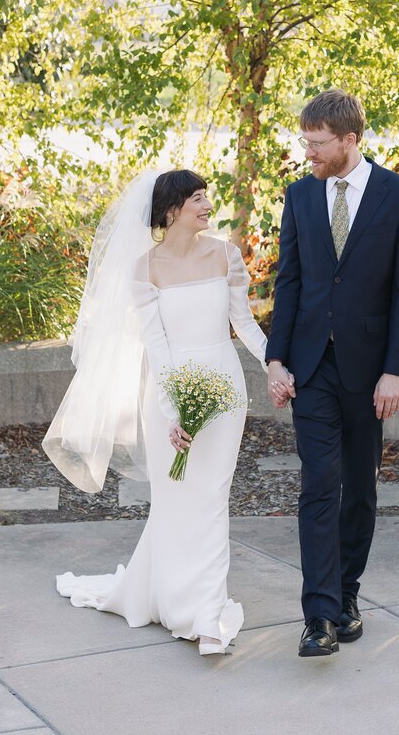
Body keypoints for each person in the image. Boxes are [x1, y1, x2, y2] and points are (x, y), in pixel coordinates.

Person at [42, 169, 267, 656]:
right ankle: (168, 596)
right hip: (169, 392)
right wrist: (174, 412)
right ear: (172, 211)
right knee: (176, 500)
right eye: (198, 199)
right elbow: (158, 347)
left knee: (211, 496)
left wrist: (278, 364)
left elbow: (244, 324)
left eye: (207, 197)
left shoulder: (226, 255)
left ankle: (207, 616)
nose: (208, 205)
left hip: (225, 388)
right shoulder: (145, 269)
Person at [265, 89, 399, 657]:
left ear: (350, 139)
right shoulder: (299, 196)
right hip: (311, 367)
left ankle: (347, 594)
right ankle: (319, 616)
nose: (308, 152)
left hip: (369, 371)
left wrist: (395, 371)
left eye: (318, 143)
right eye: (305, 141)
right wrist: (275, 358)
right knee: (317, 488)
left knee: (360, 489)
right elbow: (289, 282)